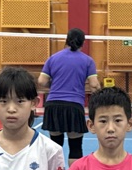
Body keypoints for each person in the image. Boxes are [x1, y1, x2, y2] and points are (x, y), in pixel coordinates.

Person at [38, 29, 100, 161]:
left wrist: (55, 86)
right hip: (74, 105)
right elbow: (94, 85)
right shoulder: (88, 61)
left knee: (55, 147)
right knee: (75, 147)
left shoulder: (53, 58)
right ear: (83, 42)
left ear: (66, 40)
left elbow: (41, 81)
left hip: (53, 105)